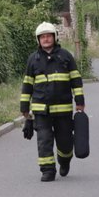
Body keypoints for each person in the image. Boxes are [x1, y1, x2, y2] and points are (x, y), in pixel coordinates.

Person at [21, 21, 85, 182]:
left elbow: (76, 81)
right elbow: (27, 84)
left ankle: (64, 161)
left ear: (54, 37)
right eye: (42, 37)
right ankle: (47, 170)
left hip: (63, 109)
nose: (46, 39)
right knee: (44, 140)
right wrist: (24, 108)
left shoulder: (65, 56)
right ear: (38, 40)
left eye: (48, 36)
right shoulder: (33, 60)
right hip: (41, 110)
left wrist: (79, 102)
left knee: (65, 143)